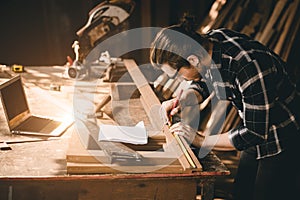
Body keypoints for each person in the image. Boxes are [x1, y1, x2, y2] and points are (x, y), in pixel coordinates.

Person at [150, 15, 300, 200]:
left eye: (179, 74)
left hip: (284, 134)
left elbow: (254, 133)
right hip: (258, 127)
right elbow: (206, 80)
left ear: (193, 60)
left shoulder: (248, 66)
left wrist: (200, 140)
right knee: (242, 193)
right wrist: (186, 99)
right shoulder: (210, 46)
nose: (181, 80)